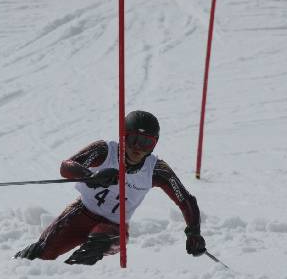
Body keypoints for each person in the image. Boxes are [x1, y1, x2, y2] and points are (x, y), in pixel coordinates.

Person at [14, 110, 207, 265]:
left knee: (98, 243)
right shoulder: (104, 150)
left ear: (154, 145)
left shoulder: (156, 170)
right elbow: (66, 167)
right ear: (123, 137)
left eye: (146, 143)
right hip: (81, 213)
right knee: (41, 253)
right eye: (132, 139)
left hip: (115, 226)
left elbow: (186, 200)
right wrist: (90, 176)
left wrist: (194, 232)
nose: (138, 148)